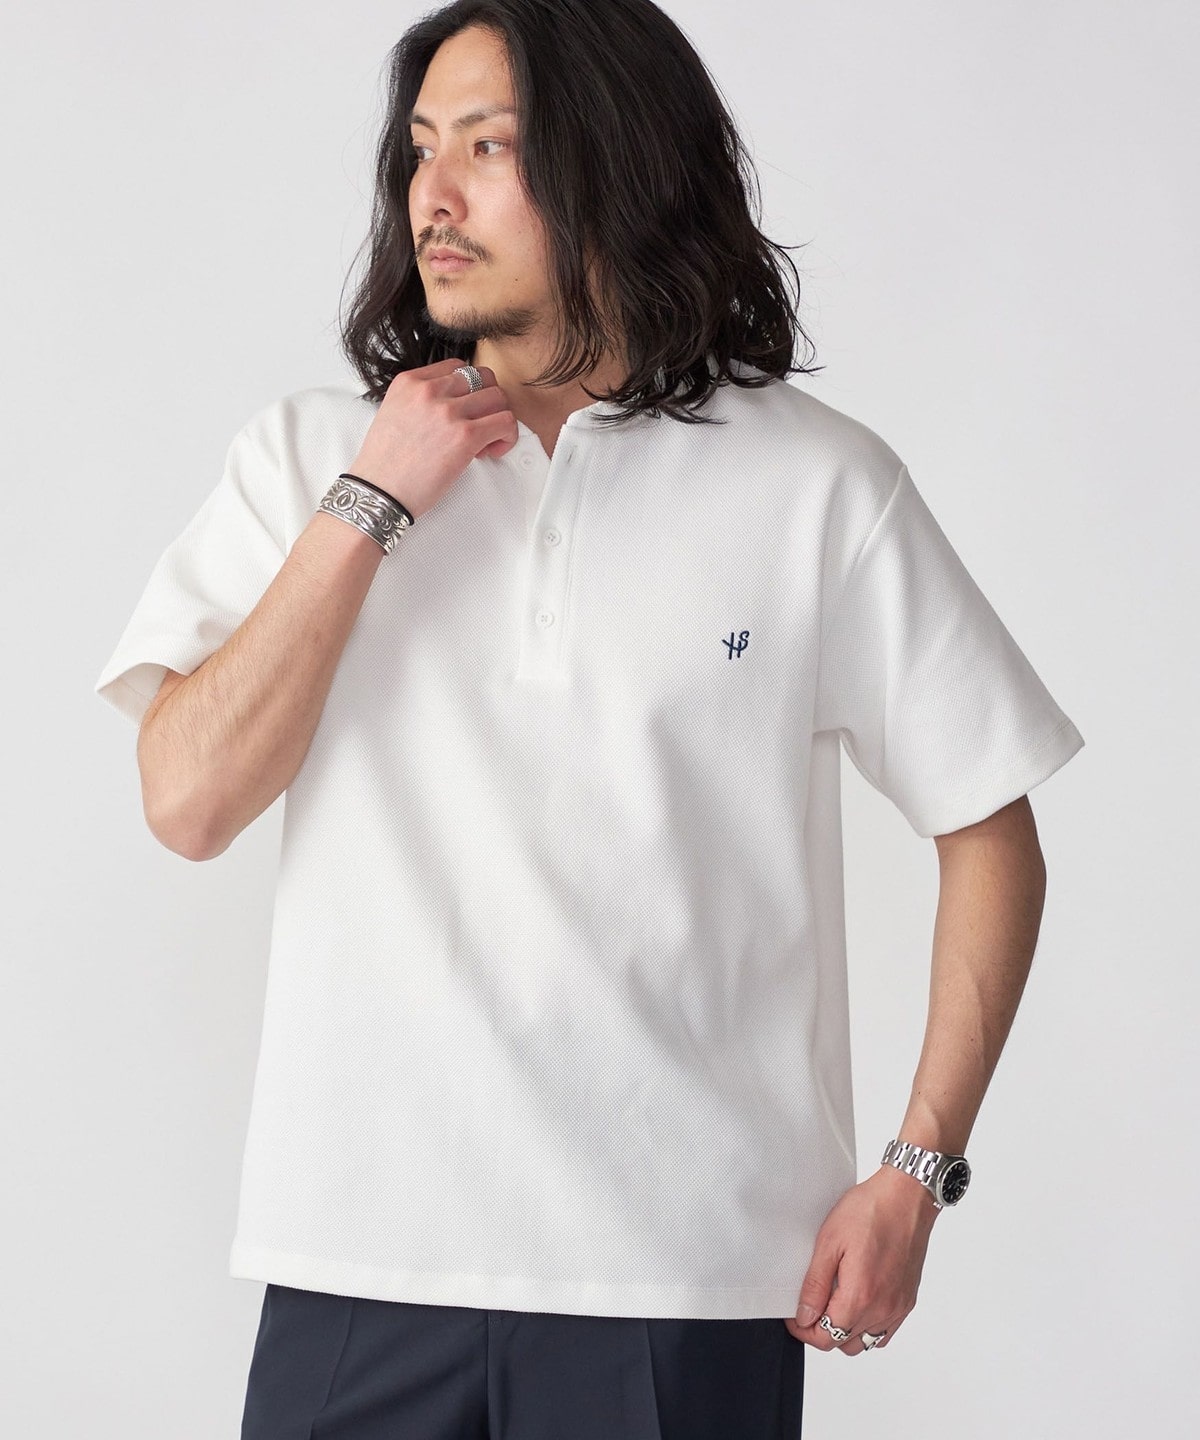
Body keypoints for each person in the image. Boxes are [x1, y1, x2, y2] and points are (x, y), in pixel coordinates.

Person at [94, 2, 1084, 1436]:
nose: (433, 193)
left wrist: (917, 1172)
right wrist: (370, 502)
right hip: (355, 1264)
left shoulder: (817, 486)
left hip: (682, 1285)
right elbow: (186, 803)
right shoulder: (309, 456)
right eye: (421, 147)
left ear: (617, 162)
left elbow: (989, 823)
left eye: (488, 148)